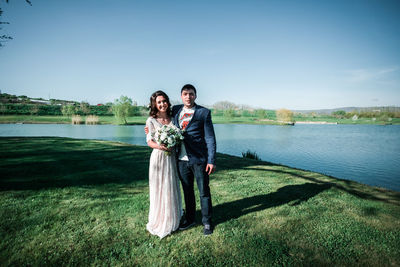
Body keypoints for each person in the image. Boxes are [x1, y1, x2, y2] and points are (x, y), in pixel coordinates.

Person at [174, 84, 217, 236]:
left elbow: (210, 138)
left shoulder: (203, 113)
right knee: (187, 191)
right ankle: (190, 218)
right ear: (181, 96)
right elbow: (159, 118)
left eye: (191, 94)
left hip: (199, 160)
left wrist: (211, 160)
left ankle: (207, 222)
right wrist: (149, 128)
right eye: (185, 94)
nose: (188, 96)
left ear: (195, 96)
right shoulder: (175, 110)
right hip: (180, 160)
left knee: (204, 192)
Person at [145, 90, 182, 239]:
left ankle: (173, 217)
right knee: (159, 187)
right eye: (159, 102)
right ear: (155, 104)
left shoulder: (174, 117)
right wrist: (161, 146)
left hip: (171, 158)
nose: (162, 104)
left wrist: (174, 142)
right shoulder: (151, 120)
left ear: (168, 101)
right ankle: (160, 220)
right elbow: (149, 141)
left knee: (171, 186)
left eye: (164, 101)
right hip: (159, 158)